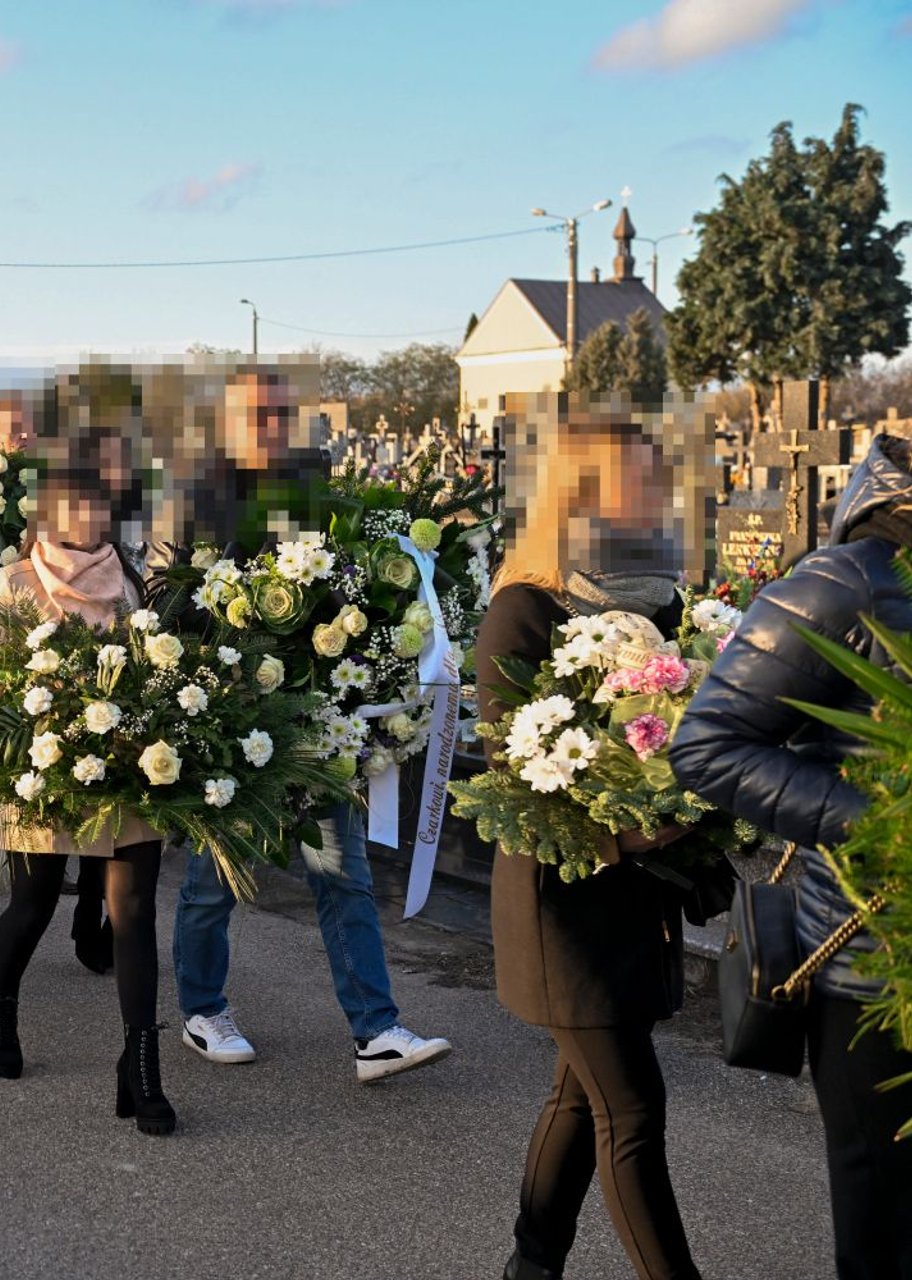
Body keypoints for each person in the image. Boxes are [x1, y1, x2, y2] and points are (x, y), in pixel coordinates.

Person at [670, 431, 912, 1280]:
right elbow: (709, 746)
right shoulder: (852, 580)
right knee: (891, 1225)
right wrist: (888, 824)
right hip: (880, 965)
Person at [172, 368, 450, 1080]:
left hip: (316, 716)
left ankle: (376, 1030)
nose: (268, 426)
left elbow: (348, 583)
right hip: (235, 717)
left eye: (278, 413)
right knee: (215, 879)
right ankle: (203, 1008)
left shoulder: (319, 490)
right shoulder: (202, 498)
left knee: (342, 875)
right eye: (254, 414)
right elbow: (178, 602)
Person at [477, 419, 702, 1280]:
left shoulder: (662, 603)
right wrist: (643, 818)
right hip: (560, 898)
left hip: (639, 893)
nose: (651, 499)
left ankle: (531, 1266)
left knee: (580, 1098)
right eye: (633, 481)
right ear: (580, 495)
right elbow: (513, 766)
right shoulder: (525, 608)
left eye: (655, 480)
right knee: (632, 1107)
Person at [0, 464, 174, 1136]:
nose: (89, 517)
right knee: (30, 907)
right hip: (47, 774)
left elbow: (154, 666)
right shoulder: (18, 581)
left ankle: (141, 1067)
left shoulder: (130, 577)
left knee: (135, 913)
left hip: (126, 772)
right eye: (76, 504)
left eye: (99, 504)